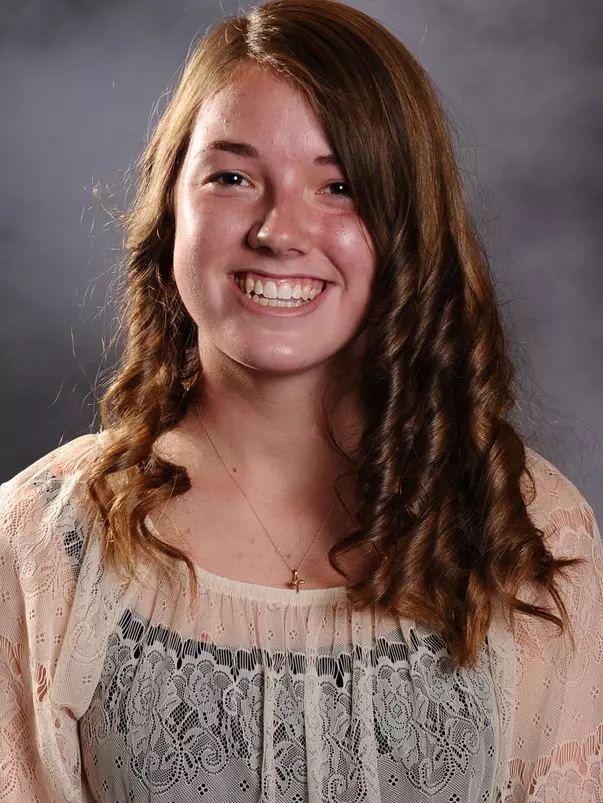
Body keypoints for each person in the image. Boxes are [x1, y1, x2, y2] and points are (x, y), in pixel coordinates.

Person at [1, 0, 601, 800]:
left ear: (408, 226)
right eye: (232, 177)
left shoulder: (527, 531)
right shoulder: (40, 548)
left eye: (340, 185)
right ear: (168, 205)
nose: (280, 230)